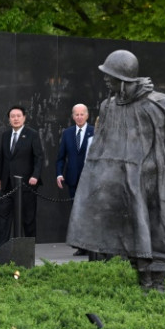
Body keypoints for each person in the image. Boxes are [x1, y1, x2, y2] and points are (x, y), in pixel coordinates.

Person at [67, 50, 165, 293]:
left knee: (159, 228)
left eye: (110, 75)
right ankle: (143, 277)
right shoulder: (108, 107)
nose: (105, 78)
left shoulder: (160, 104)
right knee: (135, 232)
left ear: (124, 78)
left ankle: (157, 280)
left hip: (156, 179)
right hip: (124, 183)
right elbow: (101, 147)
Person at [0, 105, 44, 249]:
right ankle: (0, 245)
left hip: (27, 183)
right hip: (7, 182)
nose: (15, 119)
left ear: (24, 118)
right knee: (3, 215)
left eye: (18, 116)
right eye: (12, 116)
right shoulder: (5, 135)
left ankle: (28, 247)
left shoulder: (32, 134)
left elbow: (38, 157)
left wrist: (35, 175)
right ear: (9, 119)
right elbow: (2, 158)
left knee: (28, 217)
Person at [55, 103, 94, 256]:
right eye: (76, 114)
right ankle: (81, 245)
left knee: (90, 212)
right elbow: (61, 158)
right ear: (72, 116)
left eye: (82, 114)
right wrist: (59, 174)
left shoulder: (95, 131)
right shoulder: (67, 133)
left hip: (90, 180)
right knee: (77, 213)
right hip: (72, 179)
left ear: (87, 115)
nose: (79, 117)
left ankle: (92, 245)